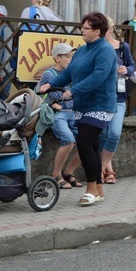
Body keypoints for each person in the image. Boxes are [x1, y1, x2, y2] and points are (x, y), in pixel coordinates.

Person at [39, 12, 117, 207]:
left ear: (98, 31)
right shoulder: (82, 50)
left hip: (100, 104)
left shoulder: (105, 50)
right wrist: (51, 85)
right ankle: (98, 190)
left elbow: (99, 76)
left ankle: (91, 188)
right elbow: (69, 73)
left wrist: (74, 91)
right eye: (82, 27)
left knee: (83, 143)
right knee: (91, 146)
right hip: (83, 105)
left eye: (86, 28)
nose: (82, 30)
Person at [36, 43, 83, 190]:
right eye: (67, 56)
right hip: (56, 114)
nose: (71, 60)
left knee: (88, 141)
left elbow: (77, 96)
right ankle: (56, 175)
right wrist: (68, 102)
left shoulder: (74, 74)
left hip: (72, 113)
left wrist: (69, 102)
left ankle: (69, 172)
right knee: (68, 140)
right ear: (57, 58)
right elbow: (56, 97)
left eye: (72, 57)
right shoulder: (50, 74)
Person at [99, 17, 136, 185]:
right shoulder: (97, 47)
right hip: (101, 96)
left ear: (111, 29)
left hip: (119, 96)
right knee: (103, 135)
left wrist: (126, 69)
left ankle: (100, 168)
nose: (101, 33)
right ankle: (108, 171)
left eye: (104, 29)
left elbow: (132, 66)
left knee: (114, 134)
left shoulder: (122, 47)